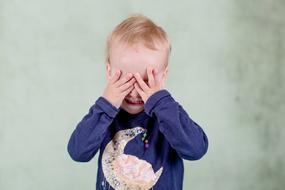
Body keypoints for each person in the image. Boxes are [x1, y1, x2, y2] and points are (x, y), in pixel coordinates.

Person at [67, 14, 209, 190]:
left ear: (163, 77)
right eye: (125, 80)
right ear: (109, 72)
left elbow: (196, 150)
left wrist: (161, 103)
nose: (134, 92)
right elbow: (78, 152)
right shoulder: (104, 116)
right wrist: (106, 104)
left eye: (146, 80)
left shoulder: (169, 114)